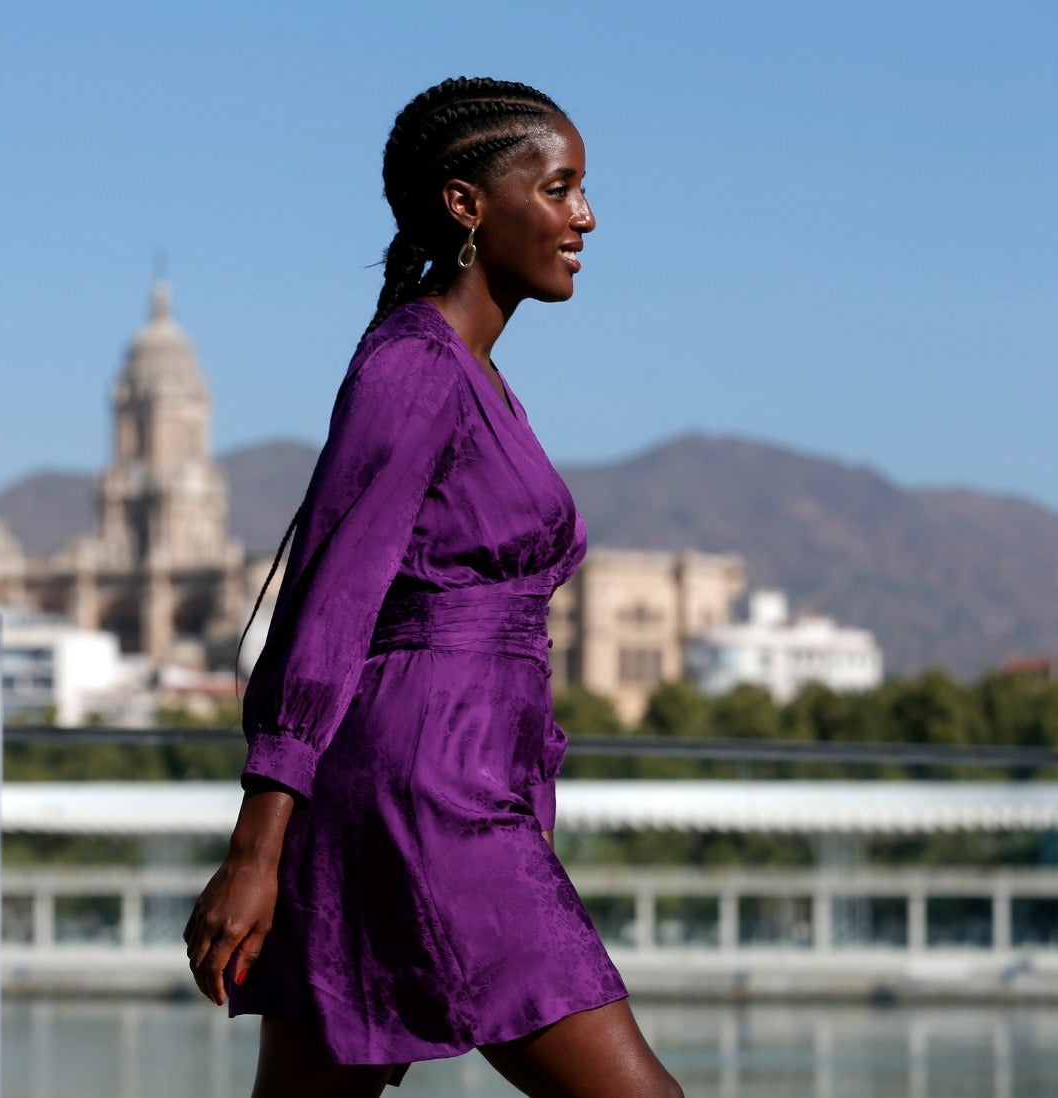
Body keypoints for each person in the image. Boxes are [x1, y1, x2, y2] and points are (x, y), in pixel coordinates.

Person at [183, 77, 683, 1098]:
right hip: (428, 795)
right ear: (466, 204)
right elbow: (326, 606)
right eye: (559, 188)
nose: (584, 217)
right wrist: (254, 849)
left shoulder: (471, 374)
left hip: (454, 778)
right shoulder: (411, 367)